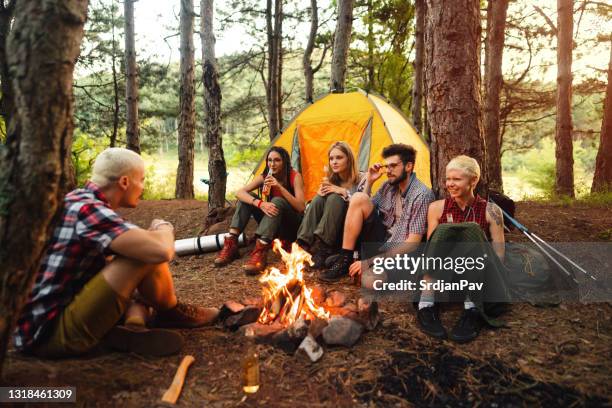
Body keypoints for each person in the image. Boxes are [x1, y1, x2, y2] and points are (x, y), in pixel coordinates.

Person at [14, 148, 219, 358]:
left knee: (138, 250)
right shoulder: (87, 210)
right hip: (48, 336)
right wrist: (164, 226)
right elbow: (161, 251)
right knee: (143, 253)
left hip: (52, 319)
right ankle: (171, 312)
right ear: (124, 182)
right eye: (141, 180)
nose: (143, 187)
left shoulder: (78, 200)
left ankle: (134, 325)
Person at [416, 155, 507, 343]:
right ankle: (426, 304)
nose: (450, 184)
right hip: (444, 277)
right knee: (444, 231)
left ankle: (472, 308)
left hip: (477, 276)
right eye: (448, 179)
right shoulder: (436, 208)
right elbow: (432, 250)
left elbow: (498, 254)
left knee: (472, 230)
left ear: (474, 180)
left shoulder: (491, 211)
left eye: (456, 179)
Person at [320, 143, 435, 282]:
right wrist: (369, 182)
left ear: (408, 166)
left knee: (369, 281)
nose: (388, 171)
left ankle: (364, 262)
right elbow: (362, 206)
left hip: (400, 251)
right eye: (387, 166)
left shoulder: (421, 195)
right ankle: (345, 258)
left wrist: (370, 262)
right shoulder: (388, 186)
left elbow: (412, 243)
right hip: (381, 241)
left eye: (393, 166)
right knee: (358, 197)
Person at [214, 146, 305, 275]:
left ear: (284, 162)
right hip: (274, 224)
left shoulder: (294, 176)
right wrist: (260, 203)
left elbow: (301, 207)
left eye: (277, 160)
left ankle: (261, 249)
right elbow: (239, 192)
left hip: (291, 226)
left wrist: (279, 187)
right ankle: (231, 243)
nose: (272, 164)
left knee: (277, 202)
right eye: (270, 160)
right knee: (247, 199)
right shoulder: (265, 176)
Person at [296, 141, 366, 269]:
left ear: (349, 159)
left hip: (350, 232)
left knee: (334, 198)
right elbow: (316, 207)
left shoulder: (362, 178)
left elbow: (367, 209)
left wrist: (344, 193)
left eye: (339, 157)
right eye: (331, 158)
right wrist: (318, 197)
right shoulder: (331, 180)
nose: (334, 162)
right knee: (318, 199)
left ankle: (323, 249)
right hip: (331, 229)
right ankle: (302, 244)